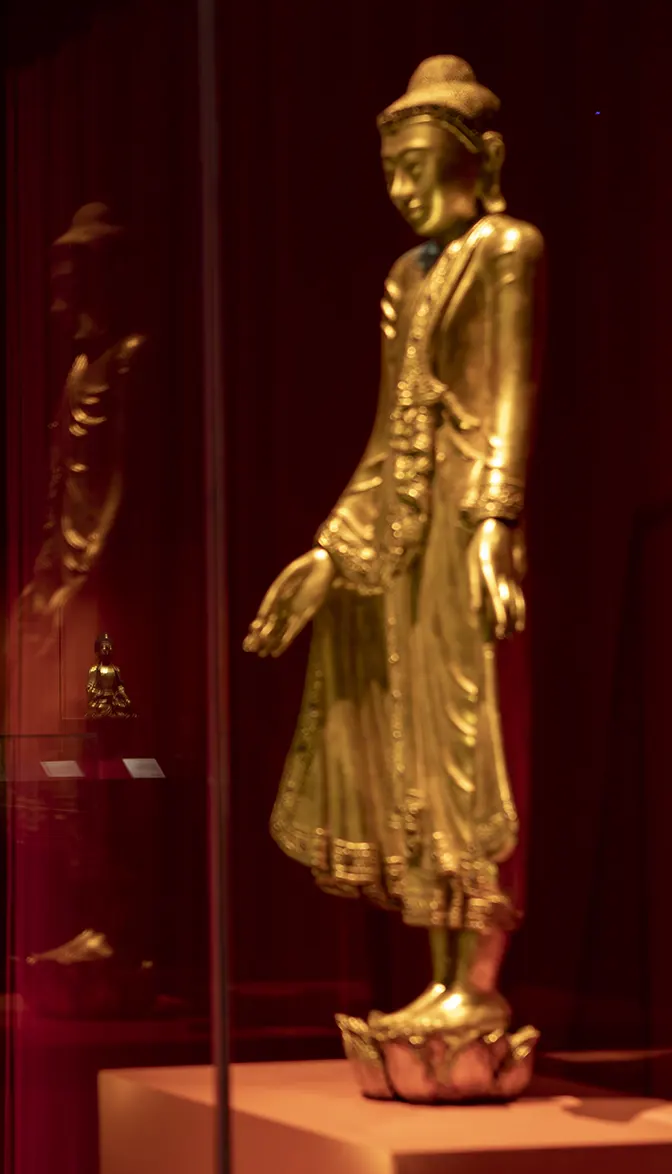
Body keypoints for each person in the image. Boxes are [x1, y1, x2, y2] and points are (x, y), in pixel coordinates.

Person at [244, 56, 541, 1043]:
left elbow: (505, 400)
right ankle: (446, 977)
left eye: (422, 167)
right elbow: (387, 429)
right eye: (394, 174)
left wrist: (496, 522)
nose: (407, 192)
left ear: (478, 159)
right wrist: (330, 554)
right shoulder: (403, 278)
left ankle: (483, 981)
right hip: (405, 536)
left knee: (472, 744)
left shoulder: (507, 249)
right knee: (416, 746)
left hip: (465, 531)